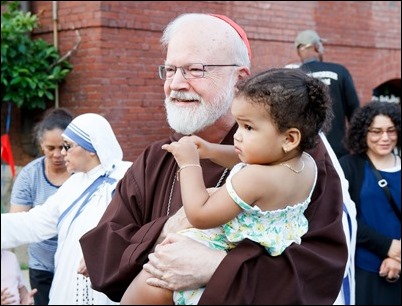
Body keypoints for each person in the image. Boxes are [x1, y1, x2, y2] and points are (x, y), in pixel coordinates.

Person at [80, 13, 349, 304]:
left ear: (239, 79)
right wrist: (166, 229)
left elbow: (320, 269)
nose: (176, 84)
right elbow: (101, 251)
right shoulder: (155, 159)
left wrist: (217, 267)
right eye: (169, 70)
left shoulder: (298, 157)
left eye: (194, 69)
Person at [121, 67, 333, 305]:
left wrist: (189, 164)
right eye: (239, 125)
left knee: (147, 284)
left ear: (289, 138)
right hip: (266, 259)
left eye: (249, 127)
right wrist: (210, 150)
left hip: (221, 252)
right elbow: (246, 155)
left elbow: (200, 214)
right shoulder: (305, 164)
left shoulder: (254, 178)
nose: (238, 136)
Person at [1, 113, 132, 305]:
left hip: (109, 285)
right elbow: (35, 223)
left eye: (67, 146)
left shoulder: (126, 178)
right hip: (68, 282)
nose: (62, 153)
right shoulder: (74, 184)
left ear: (91, 148)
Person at [9, 107, 73, 305]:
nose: (57, 154)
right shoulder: (30, 175)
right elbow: (16, 223)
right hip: (42, 265)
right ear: (41, 145)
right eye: (50, 148)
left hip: (73, 263)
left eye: (64, 147)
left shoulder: (81, 174)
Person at [339, 101, 401, 305]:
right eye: (376, 131)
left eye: (391, 131)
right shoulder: (349, 167)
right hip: (365, 269)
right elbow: (345, 217)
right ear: (363, 132)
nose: (385, 138)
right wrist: (388, 247)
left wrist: (397, 257)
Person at [295, 29, 360, 159]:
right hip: (338, 151)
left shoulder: (294, 77)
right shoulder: (339, 71)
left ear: (298, 52)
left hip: (304, 153)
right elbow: (355, 113)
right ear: (317, 47)